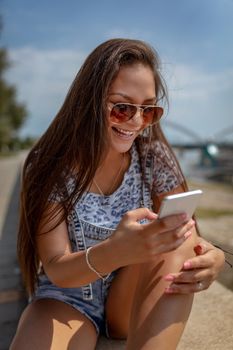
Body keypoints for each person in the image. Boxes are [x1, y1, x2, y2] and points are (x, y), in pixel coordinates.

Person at [11, 38, 225, 350]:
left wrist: (214, 257)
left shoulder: (154, 157)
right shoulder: (50, 165)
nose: (137, 122)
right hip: (68, 298)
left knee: (177, 235)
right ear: (88, 102)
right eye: (122, 108)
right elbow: (57, 268)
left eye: (148, 110)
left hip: (129, 299)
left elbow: (187, 236)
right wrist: (117, 250)